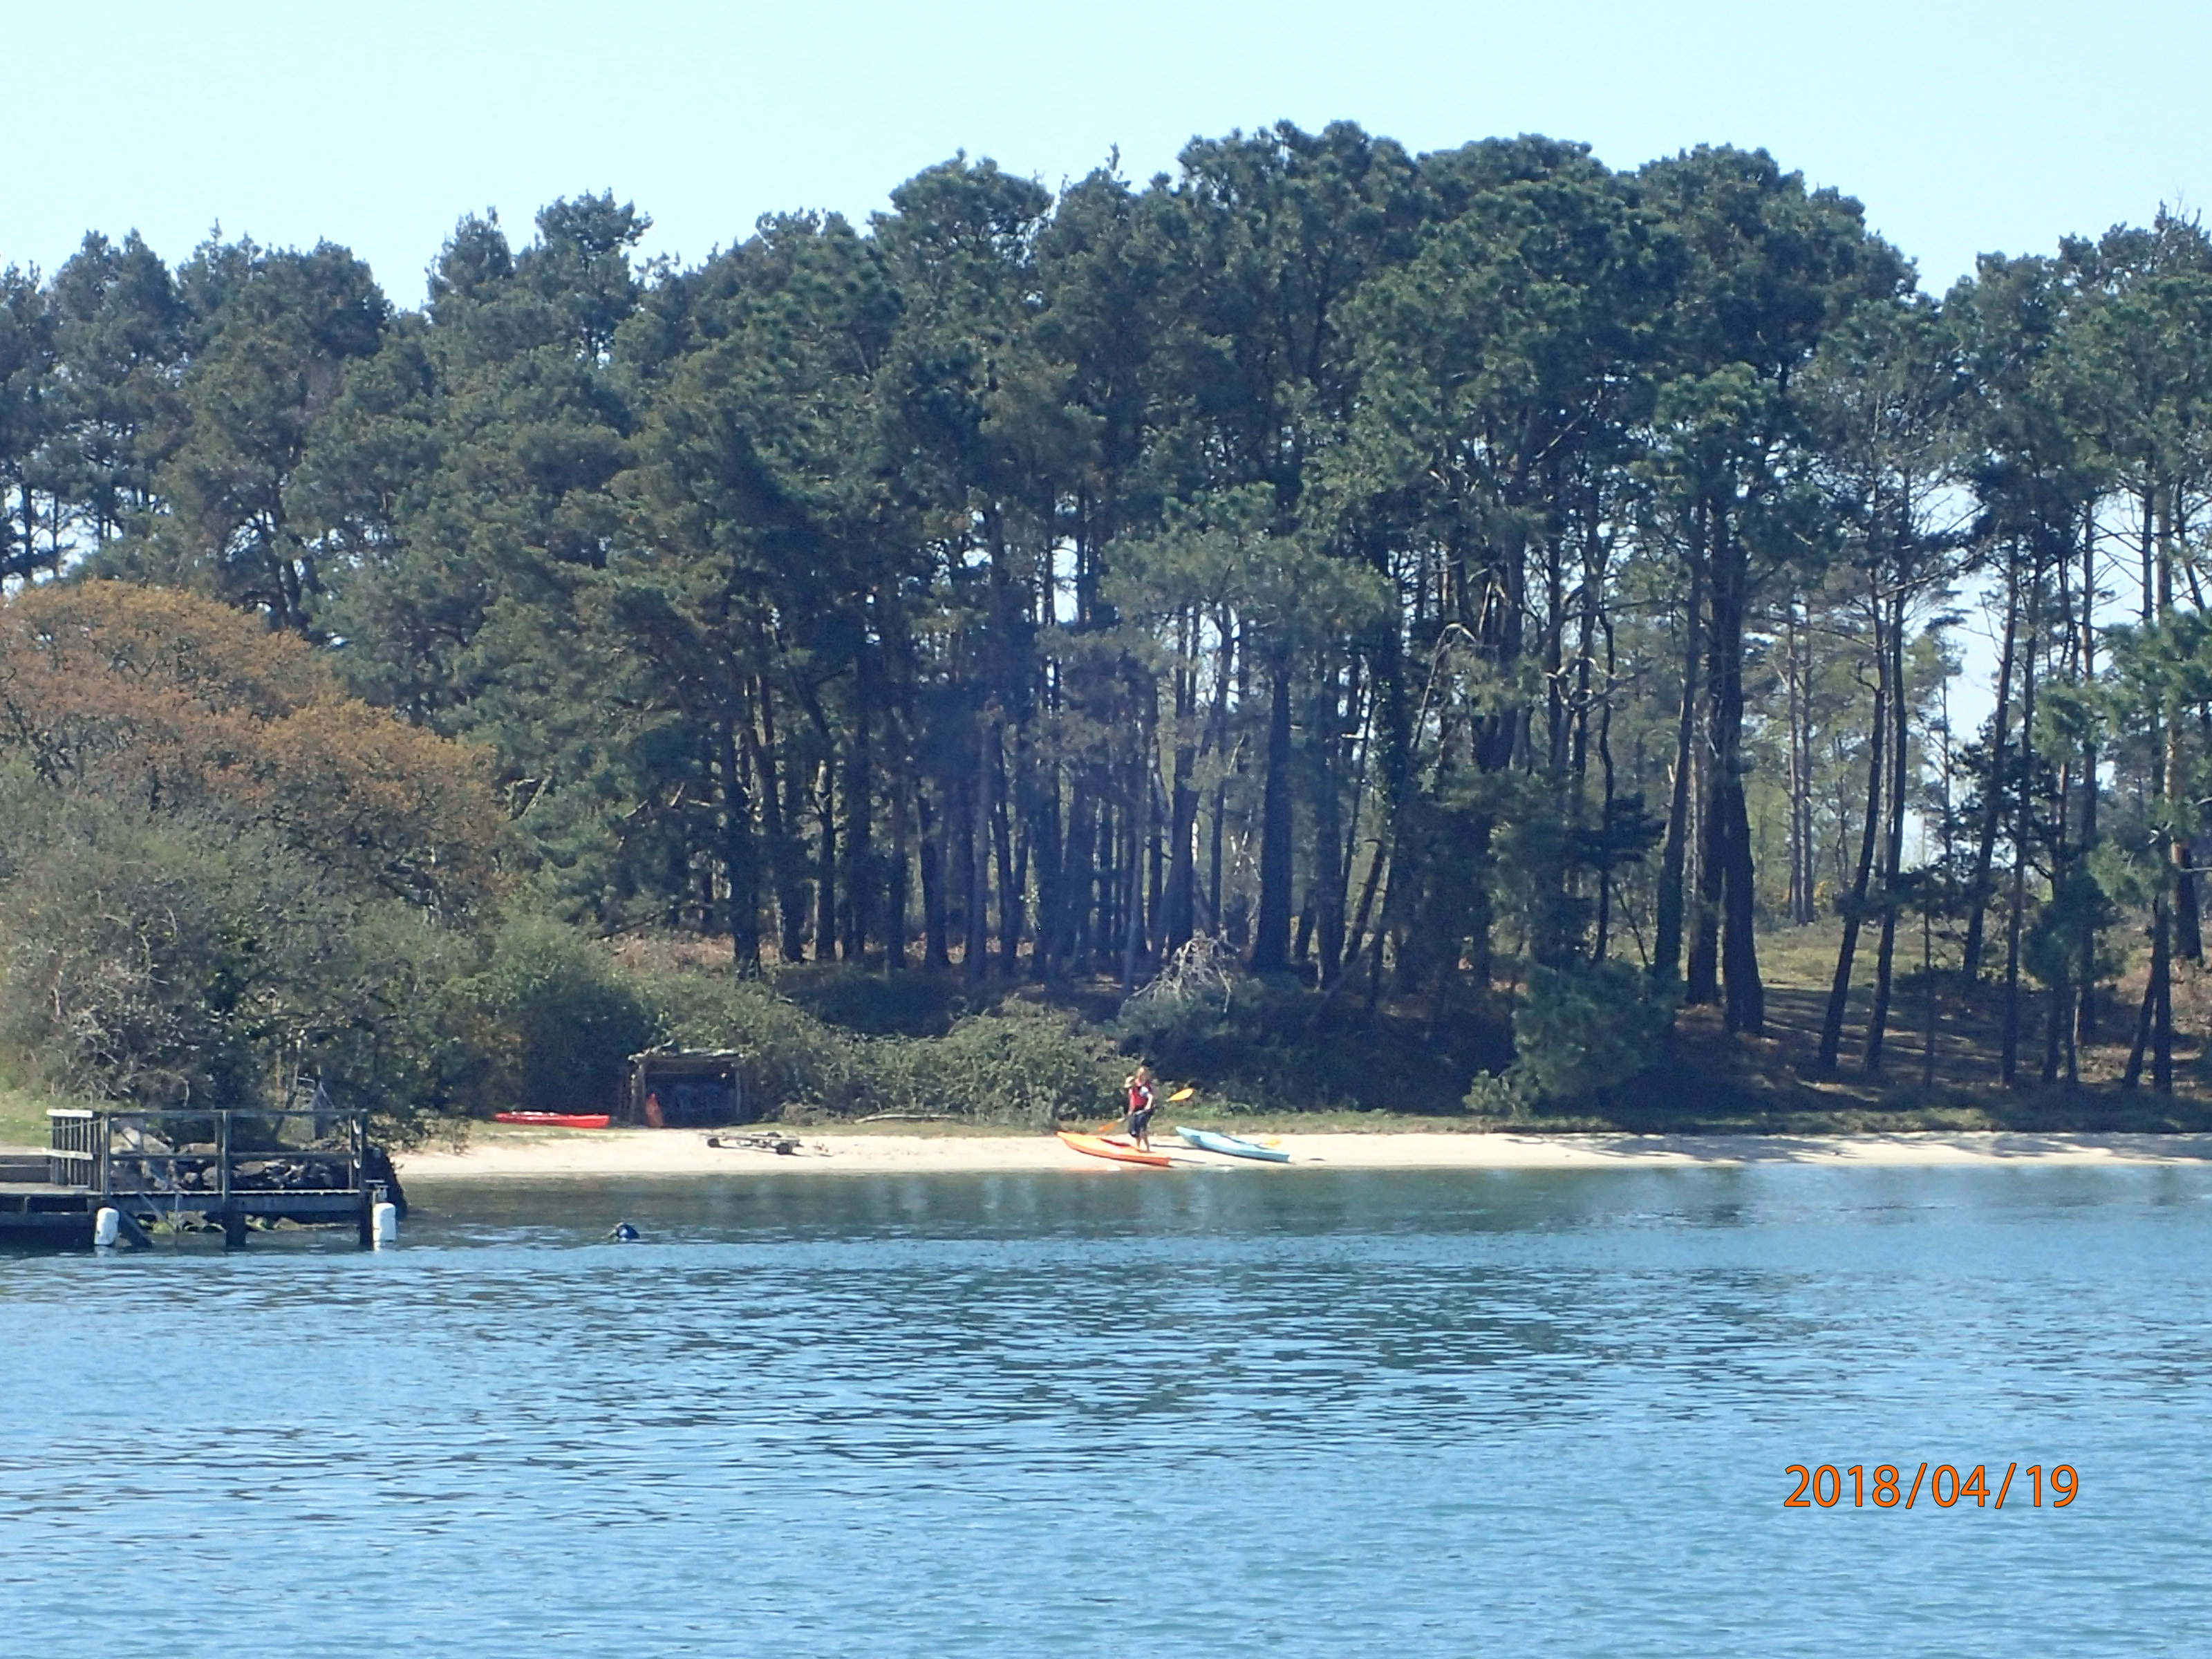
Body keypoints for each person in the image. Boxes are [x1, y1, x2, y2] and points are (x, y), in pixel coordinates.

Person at [1124, 1065, 1157, 1151]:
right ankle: (1138, 1147)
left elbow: (1150, 1097)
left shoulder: (1142, 1089)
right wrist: (1130, 1111)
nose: (1130, 1088)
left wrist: (1148, 1106)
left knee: (1143, 1129)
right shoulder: (1131, 1090)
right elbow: (1132, 1101)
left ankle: (1147, 1148)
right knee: (1135, 1130)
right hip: (1137, 1109)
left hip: (1145, 1109)